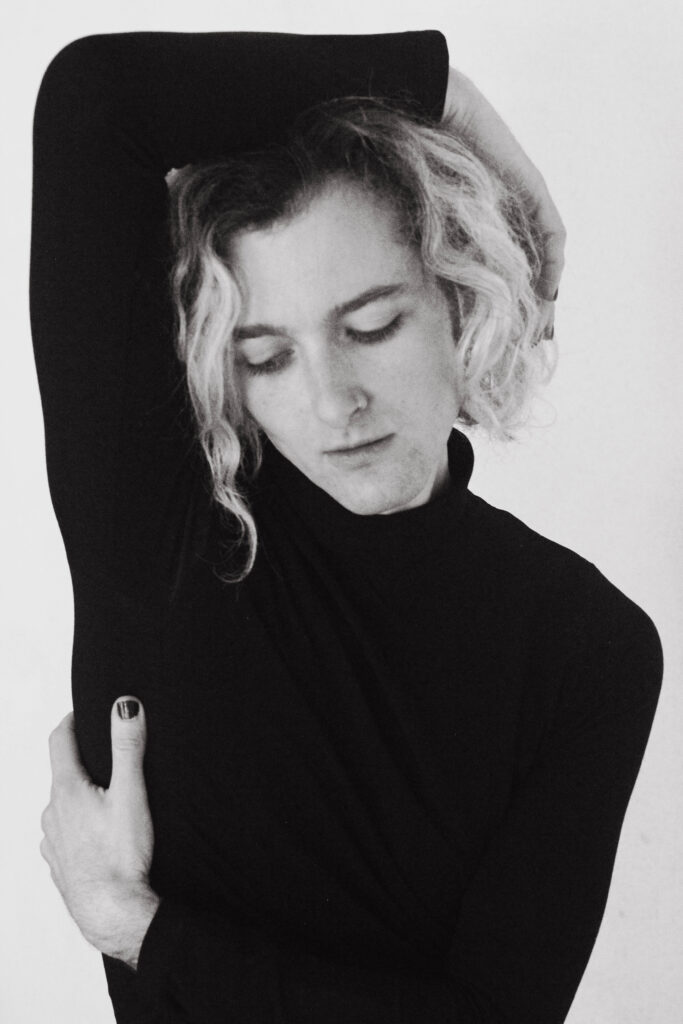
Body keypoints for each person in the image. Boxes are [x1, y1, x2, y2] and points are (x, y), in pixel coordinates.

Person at [34, 31, 661, 1024]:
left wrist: (137, 928)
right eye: (266, 357)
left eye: (370, 327)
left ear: (462, 303)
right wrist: (446, 94)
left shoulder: (587, 646)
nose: (334, 403)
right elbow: (96, 99)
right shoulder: (165, 528)